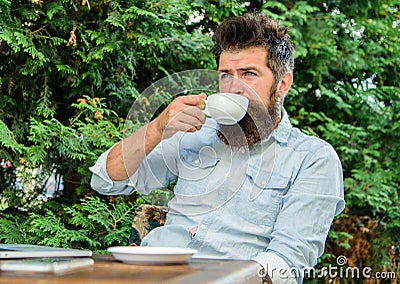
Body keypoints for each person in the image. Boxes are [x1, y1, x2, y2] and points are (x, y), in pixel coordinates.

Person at [90, 13, 345, 283]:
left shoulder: (312, 158)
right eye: (226, 75)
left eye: (248, 74)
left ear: (282, 84)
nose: (233, 88)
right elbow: (106, 180)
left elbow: (284, 263)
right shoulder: (195, 133)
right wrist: (156, 129)